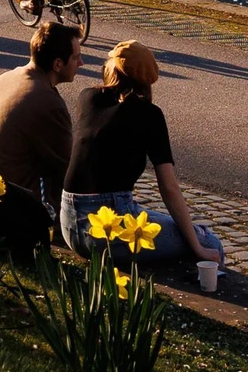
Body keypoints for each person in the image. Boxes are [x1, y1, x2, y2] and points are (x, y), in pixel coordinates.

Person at [60, 41, 226, 272]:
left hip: (69, 222)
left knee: (170, 223)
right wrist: (198, 246)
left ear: (111, 68)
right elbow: (168, 188)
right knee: (208, 241)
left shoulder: (87, 98)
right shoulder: (149, 114)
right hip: (107, 231)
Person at [0, 20, 83, 251]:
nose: (81, 63)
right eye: (76, 58)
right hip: (15, 210)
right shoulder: (47, 103)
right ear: (58, 64)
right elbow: (72, 173)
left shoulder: (5, 79)